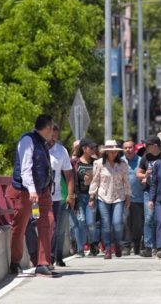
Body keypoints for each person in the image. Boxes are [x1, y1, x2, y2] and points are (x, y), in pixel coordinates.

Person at [8, 114, 59, 277]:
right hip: (25, 191)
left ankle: (43, 263)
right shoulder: (27, 141)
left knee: (48, 222)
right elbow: (25, 168)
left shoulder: (43, 143)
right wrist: (31, 190)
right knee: (20, 225)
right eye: (53, 129)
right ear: (48, 128)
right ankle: (15, 261)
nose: (54, 133)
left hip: (43, 191)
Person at [89, 140, 131, 259]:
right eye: (111, 152)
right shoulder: (98, 163)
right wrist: (92, 196)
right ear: (106, 153)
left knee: (117, 223)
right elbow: (95, 180)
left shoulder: (123, 164)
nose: (113, 154)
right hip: (103, 196)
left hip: (119, 197)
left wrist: (128, 196)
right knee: (106, 224)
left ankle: (118, 243)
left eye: (115, 152)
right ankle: (108, 248)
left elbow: (126, 181)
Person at [48, 124, 75, 267]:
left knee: (56, 228)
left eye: (55, 136)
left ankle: (51, 258)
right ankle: (39, 257)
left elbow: (69, 175)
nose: (53, 138)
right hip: (37, 197)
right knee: (37, 226)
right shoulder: (36, 148)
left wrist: (71, 195)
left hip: (56, 197)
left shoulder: (61, 150)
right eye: (51, 135)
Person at [73, 138, 100, 257]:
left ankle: (93, 243)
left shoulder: (96, 162)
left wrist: (92, 180)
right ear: (84, 149)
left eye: (95, 148)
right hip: (79, 197)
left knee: (90, 223)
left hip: (91, 197)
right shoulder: (75, 163)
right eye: (91, 148)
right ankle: (80, 248)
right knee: (80, 222)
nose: (94, 150)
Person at [136, 135, 161, 257]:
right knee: (149, 218)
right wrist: (145, 175)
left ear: (155, 146)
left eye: (148, 145)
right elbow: (138, 174)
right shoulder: (145, 157)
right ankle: (148, 245)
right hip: (148, 191)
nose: (145, 147)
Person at [121, 140, 144, 255]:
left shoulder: (141, 161)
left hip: (138, 198)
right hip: (123, 198)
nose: (128, 150)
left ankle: (136, 245)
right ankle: (126, 246)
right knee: (125, 222)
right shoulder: (119, 162)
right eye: (125, 148)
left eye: (130, 147)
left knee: (137, 225)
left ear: (134, 148)